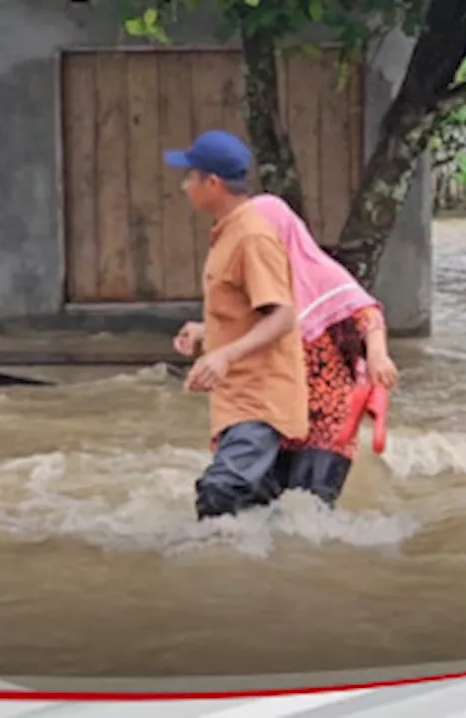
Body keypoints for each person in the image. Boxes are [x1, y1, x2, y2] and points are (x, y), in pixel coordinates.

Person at [177, 193, 400, 509]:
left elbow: (367, 315)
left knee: (310, 512)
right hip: (276, 407)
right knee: (258, 505)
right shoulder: (261, 278)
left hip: (328, 418)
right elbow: (250, 325)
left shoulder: (322, 273)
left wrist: (377, 355)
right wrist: (204, 332)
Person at [164, 130, 309, 520]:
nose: (183, 186)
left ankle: (213, 576)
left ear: (212, 183)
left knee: (219, 492)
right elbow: (250, 314)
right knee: (255, 509)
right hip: (238, 398)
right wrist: (207, 333)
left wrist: (225, 354)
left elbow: (282, 316)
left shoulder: (251, 238)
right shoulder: (229, 233)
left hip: (260, 401)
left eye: (189, 177)